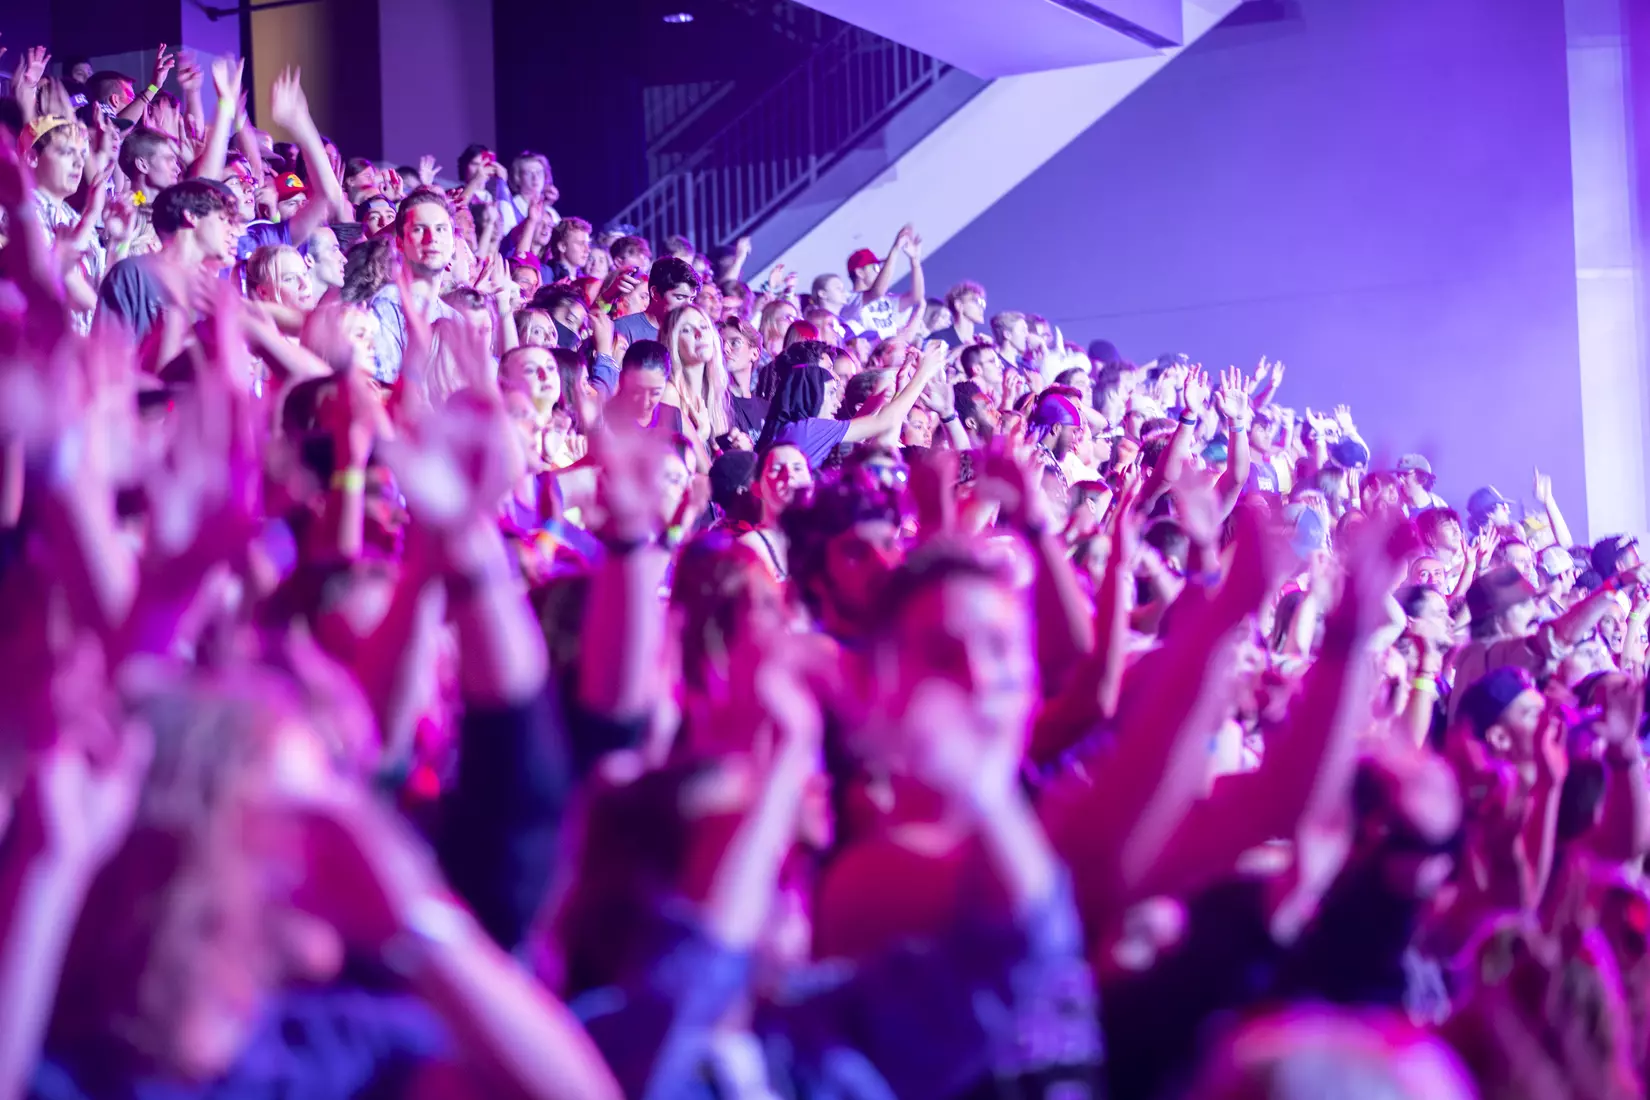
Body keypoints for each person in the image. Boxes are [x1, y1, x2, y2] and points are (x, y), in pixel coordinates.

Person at [755, 339, 945, 469]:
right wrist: (924, 373)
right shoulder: (805, 430)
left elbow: (880, 439)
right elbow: (884, 421)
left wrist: (900, 387)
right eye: (829, 391)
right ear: (810, 391)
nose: (836, 400)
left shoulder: (794, 429)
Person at [98, 179, 237, 341]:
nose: (232, 231)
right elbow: (107, 355)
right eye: (223, 220)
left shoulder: (220, 293)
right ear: (191, 216)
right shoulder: (133, 275)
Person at [367, 190, 461, 383]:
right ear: (400, 243)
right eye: (419, 229)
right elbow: (384, 384)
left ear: (453, 245)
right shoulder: (389, 303)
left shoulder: (456, 318)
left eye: (441, 229)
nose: (431, 238)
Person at [612, 256, 699, 347]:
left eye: (691, 299)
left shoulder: (690, 332)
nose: (688, 306)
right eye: (680, 298)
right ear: (655, 293)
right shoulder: (625, 328)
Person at [929, 280, 986, 348]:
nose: (981, 307)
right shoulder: (939, 339)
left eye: (982, 303)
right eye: (976, 301)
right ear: (959, 305)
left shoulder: (981, 345)